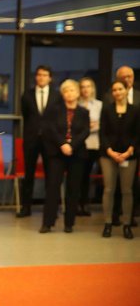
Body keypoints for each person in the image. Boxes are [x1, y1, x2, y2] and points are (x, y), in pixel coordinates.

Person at [40, 80, 90, 233]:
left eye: (72, 90)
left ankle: (69, 223)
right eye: (66, 91)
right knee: (53, 187)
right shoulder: (54, 110)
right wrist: (63, 144)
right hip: (57, 153)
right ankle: (47, 223)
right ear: (62, 94)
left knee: (73, 188)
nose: (69, 93)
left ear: (77, 93)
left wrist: (72, 145)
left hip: (77, 153)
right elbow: (50, 129)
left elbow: (85, 132)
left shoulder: (83, 112)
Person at [19, 65, 63, 217]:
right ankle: (26, 208)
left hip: (50, 141)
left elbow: (58, 118)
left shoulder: (57, 96)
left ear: (50, 78)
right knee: (28, 174)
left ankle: (51, 209)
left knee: (51, 175)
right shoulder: (27, 94)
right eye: (39, 75)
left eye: (45, 75)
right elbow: (26, 115)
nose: (41, 77)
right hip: (31, 139)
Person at [99, 80, 139, 239]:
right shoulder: (107, 109)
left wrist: (129, 151)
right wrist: (110, 151)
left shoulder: (135, 110)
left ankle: (127, 224)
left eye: (120, 89)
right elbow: (103, 133)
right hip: (108, 155)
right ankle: (108, 223)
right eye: (114, 90)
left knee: (127, 190)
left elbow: (137, 134)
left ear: (126, 90)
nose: (117, 92)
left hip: (129, 155)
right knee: (109, 189)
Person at [77, 77, 102, 216]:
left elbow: (102, 124)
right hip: (80, 145)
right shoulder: (77, 105)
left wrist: (89, 126)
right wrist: (90, 125)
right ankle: (79, 204)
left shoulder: (99, 105)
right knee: (81, 176)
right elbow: (78, 126)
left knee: (91, 176)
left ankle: (87, 204)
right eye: (83, 86)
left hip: (95, 145)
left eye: (88, 86)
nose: (86, 89)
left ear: (92, 88)